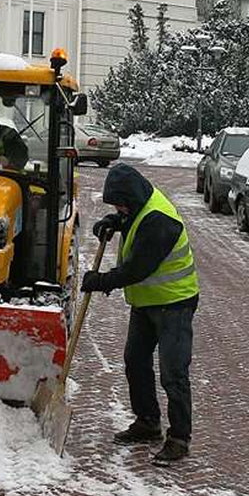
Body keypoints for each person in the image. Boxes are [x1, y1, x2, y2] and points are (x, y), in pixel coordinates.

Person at [81, 162, 199, 465]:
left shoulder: (160, 221)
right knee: (135, 361)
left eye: (120, 204)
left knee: (173, 373)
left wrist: (101, 281)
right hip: (147, 302)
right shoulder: (140, 204)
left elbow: (136, 269)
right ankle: (148, 422)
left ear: (132, 197)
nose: (120, 208)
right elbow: (130, 220)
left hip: (174, 304)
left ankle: (179, 438)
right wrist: (112, 221)